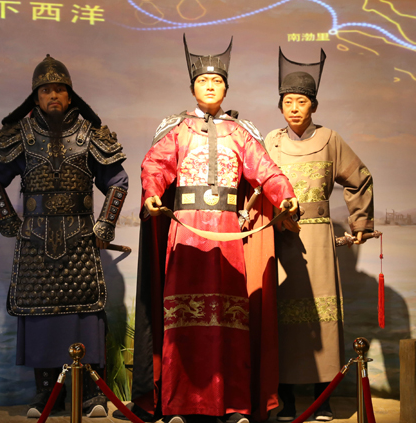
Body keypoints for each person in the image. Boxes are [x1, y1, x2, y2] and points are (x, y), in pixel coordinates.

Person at [129, 35, 299, 423]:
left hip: (227, 235)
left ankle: (233, 405)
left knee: (229, 321)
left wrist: (285, 195)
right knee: (181, 323)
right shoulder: (177, 129)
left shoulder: (241, 133)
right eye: (203, 81)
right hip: (185, 233)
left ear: (226, 88)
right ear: (193, 87)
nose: (210, 86)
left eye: (217, 81)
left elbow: (267, 171)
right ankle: (179, 405)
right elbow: (154, 166)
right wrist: (152, 193)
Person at [0, 55, 129, 418]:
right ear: (36, 97)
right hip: (36, 242)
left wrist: (105, 225)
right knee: (39, 315)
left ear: (70, 95)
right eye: (46, 90)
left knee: (85, 313)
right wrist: (7, 219)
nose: (53, 95)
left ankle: (90, 393)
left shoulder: (90, 135)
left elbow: (118, 181)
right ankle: (46, 393)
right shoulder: (21, 136)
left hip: (80, 241)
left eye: (60, 89)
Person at [264, 49, 374, 421]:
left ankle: (322, 398)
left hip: (318, 242)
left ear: (313, 105)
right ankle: (285, 398)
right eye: (288, 102)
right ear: (281, 106)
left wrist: (360, 223)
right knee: (281, 319)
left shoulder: (330, 139)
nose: (295, 108)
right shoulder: (270, 141)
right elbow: (256, 185)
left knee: (320, 319)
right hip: (280, 239)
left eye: (302, 101)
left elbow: (359, 178)